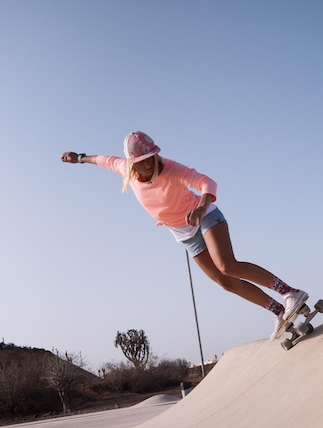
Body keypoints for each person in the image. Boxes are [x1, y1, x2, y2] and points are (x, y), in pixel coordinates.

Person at [61, 131, 308, 339]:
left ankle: (290, 293)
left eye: (151, 157)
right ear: (132, 162)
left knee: (227, 265)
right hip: (184, 233)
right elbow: (102, 159)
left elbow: (206, 182)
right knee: (224, 282)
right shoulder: (123, 168)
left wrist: (201, 207)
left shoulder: (170, 169)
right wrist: (79, 158)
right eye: (142, 160)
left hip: (205, 215)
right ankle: (278, 311)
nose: (149, 164)